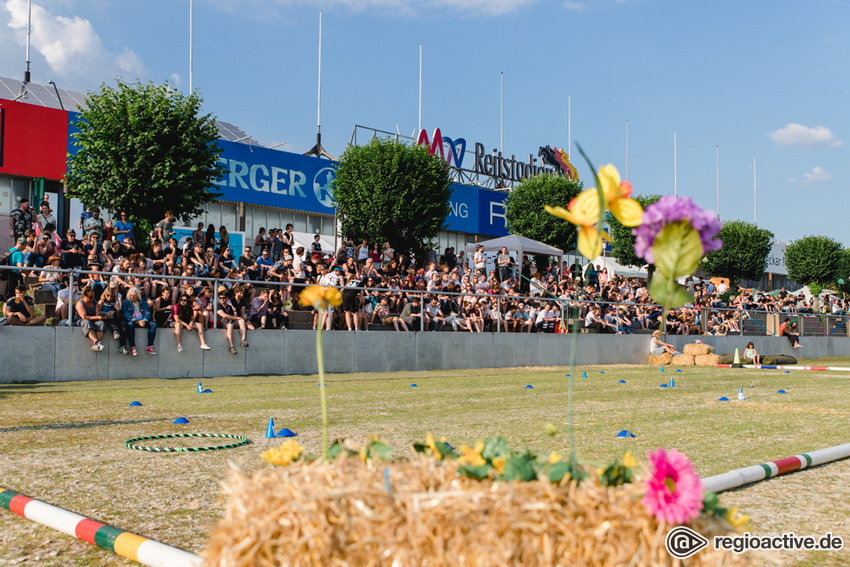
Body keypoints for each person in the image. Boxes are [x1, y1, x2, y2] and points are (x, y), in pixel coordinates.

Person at [121, 287, 157, 356]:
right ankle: (132, 346)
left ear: (137, 295)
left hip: (142, 319)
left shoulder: (143, 302)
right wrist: (137, 321)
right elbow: (126, 314)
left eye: (134, 295)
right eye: (130, 295)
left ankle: (150, 346)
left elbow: (147, 312)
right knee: (130, 324)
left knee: (153, 324)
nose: (132, 297)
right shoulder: (126, 302)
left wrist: (144, 320)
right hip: (133, 320)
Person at [216, 287, 248, 354]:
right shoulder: (218, 305)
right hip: (222, 322)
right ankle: (231, 346)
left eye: (223, 298)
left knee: (241, 320)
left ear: (227, 298)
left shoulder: (229, 307)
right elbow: (224, 315)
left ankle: (243, 340)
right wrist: (236, 318)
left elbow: (232, 316)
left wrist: (237, 317)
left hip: (230, 321)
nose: (222, 299)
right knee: (230, 326)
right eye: (220, 298)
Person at [76, 285, 107, 351]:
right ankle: (97, 342)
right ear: (84, 296)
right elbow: (84, 317)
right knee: (86, 322)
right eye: (90, 297)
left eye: (93, 296)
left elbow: (97, 314)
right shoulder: (80, 303)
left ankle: (96, 343)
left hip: (93, 319)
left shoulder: (94, 302)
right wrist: (98, 317)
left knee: (101, 323)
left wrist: (103, 316)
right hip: (81, 320)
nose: (92, 298)